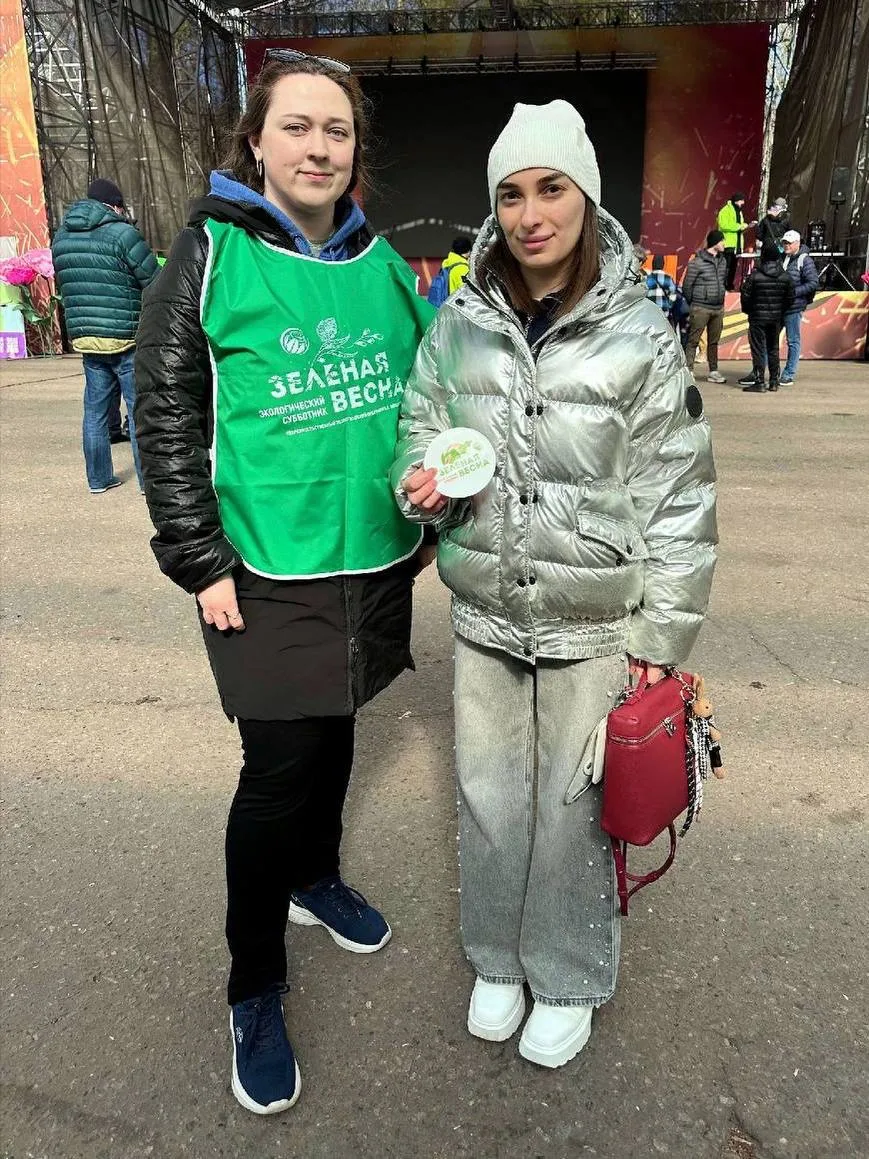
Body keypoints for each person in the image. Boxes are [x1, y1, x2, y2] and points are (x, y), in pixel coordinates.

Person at [134, 52, 435, 1116]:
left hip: (373, 556)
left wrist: (430, 499)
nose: (318, 148)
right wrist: (197, 556)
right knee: (277, 768)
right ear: (255, 142)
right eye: (297, 127)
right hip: (258, 565)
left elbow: (421, 401)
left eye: (336, 131)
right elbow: (163, 411)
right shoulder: (209, 253)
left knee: (341, 722)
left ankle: (316, 876)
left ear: (356, 151)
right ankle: (253, 985)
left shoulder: (384, 267)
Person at [391, 100, 717, 1069]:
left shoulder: (640, 335)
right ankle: (497, 957)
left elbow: (677, 493)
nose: (530, 214)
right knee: (489, 797)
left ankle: (567, 971)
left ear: (586, 197)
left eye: (550, 189)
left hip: (593, 619)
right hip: (487, 610)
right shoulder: (457, 325)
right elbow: (420, 429)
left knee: (573, 809)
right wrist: (419, 484)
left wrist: (659, 639)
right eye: (510, 194)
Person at [51, 178, 158, 493]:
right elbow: (154, 279)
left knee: (95, 412)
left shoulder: (61, 237)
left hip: (87, 338)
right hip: (126, 337)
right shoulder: (123, 234)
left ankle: (98, 479)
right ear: (114, 206)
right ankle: (148, 482)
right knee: (139, 411)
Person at [739, 241, 796, 392]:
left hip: (757, 318)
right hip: (776, 318)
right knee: (773, 349)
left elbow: (745, 296)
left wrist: (750, 311)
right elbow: (791, 298)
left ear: (763, 256)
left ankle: (759, 382)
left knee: (758, 349)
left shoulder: (755, 276)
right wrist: (781, 311)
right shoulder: (786, 277)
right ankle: (774, 382)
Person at [682, 230, 728, 383]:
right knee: (693, 340)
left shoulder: (723, 261)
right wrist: (694, 302)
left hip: (718, 308)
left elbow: (723, 281)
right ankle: (689, 370)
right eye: (722, 241)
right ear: (714, 242)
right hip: (700, 307)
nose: (724, 244)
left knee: (713, 342)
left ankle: (714, 371)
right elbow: (687, 285)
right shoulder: (697, 262)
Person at [717, 192, 754, 290]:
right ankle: (722, 286)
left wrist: (747, 227)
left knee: (733, 266)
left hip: (737, 244)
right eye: (741, 200)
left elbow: (739, 227)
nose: (743, 203)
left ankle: (730, 285)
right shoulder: (725, 210)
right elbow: (723, 225)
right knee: (726, 266)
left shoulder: (739, 212)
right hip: (728, 243)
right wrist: (740, 226)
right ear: (736, 200)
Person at [427, 235, 472, 306]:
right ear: (468, 251)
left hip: (445, 303)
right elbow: (466, 292)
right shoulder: (462, 268)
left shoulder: (448, 262)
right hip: (455, 306)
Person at [644, 253, 679, 323]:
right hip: (664, 312)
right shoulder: (668, 278)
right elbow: (673, 295)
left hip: (649, 312)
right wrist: (669, 306)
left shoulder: (646, 278)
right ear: (663, 265)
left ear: (653, 264)